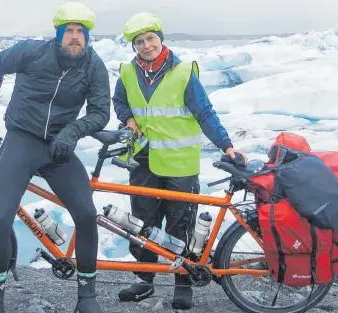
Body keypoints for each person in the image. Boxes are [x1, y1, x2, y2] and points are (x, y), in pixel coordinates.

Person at [0, 2, 110, 313]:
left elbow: (100, 112)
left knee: (86, 215)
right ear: (58, 35)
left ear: (87, 37)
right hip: (22, 140)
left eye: (80, 32)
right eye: (68, 31)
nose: (74, 37)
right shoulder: (30, 52)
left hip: (60, 146)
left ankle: (87, 295)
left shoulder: (93, 66)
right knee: (1, 217)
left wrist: (72, 132)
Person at [112, 12, 247, 310]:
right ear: (133, 47)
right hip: (143, 159)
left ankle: (182, 280)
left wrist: (227, 146)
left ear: (161, 38)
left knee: (180, 224)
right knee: (141, 223)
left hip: (180, 162)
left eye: (150, 38)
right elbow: (119, 101)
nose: (146, 46)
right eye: (139, 42)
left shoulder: (184, 72)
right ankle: (145, 279)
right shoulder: (127, 73)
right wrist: (128, 119)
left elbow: (205, 112)